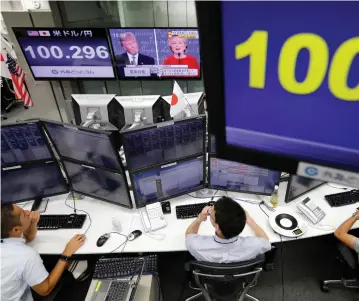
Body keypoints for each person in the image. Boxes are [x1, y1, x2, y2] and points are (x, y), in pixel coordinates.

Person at [1, 203, 86, 301]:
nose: (28, 212)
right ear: (16, 230)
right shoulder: (25, 255)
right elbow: (45, 289)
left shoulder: (5, 234)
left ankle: (70, 265)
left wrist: (32, 223)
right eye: (24, 214)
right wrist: (67, 253)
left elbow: (27, 238)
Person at [185, 196, 271, 263]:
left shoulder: (196, 245)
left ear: (217, 227)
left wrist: (199, 219)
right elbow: (266, 240)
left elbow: (188, 235)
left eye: (211, 211)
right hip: (239, 277)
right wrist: (249, 220)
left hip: (212, 277)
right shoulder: (255, 245)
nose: (209, 210)